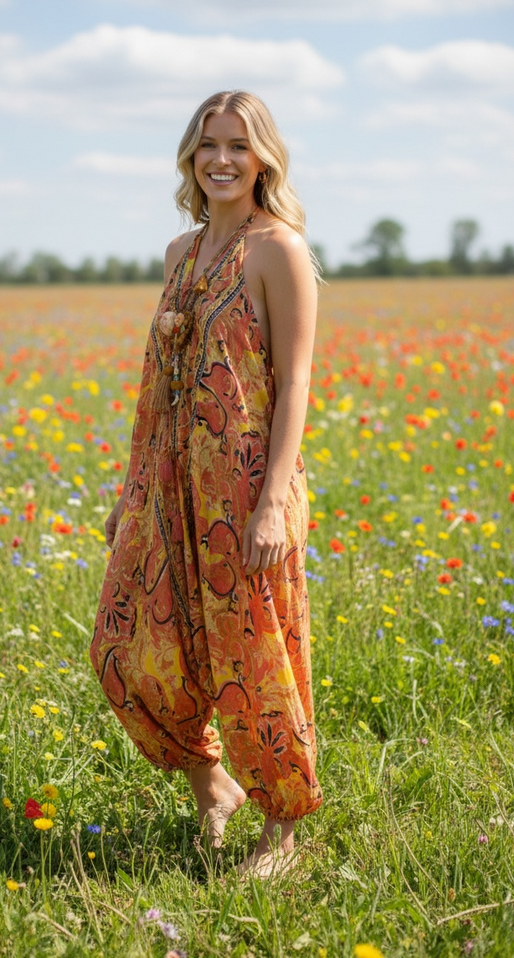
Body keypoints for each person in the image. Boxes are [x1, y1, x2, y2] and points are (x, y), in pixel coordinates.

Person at [90, 90, 322, 876]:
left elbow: (295, 385)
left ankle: (281, 833)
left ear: (264, 159)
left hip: (246, 490)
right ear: (190, 156)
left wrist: (270, 506)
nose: (221, 159)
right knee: (124, 650)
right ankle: (212, 787)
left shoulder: (278, 250)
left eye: (239, 145)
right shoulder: (179, 254)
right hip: (168, 485)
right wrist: (133, 494)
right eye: (207, 144)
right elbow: (162, 381)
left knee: (256, 660)